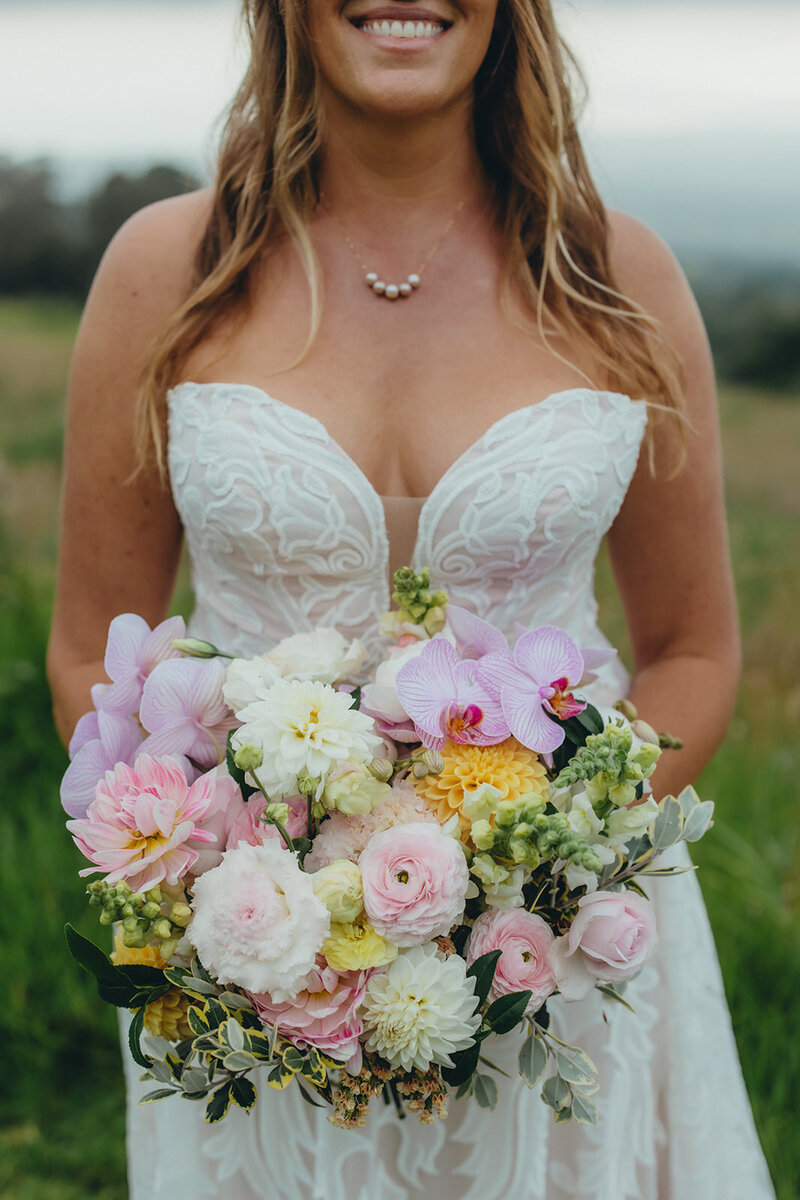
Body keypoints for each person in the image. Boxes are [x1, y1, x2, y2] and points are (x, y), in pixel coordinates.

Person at [47, 0, 776, 1196]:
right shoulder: (165, 272)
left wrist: (528, 877)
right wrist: (239, 880)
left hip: (559, 968)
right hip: (258, 963)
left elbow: (692, 649)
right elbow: (88, 647)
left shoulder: (614, 272)